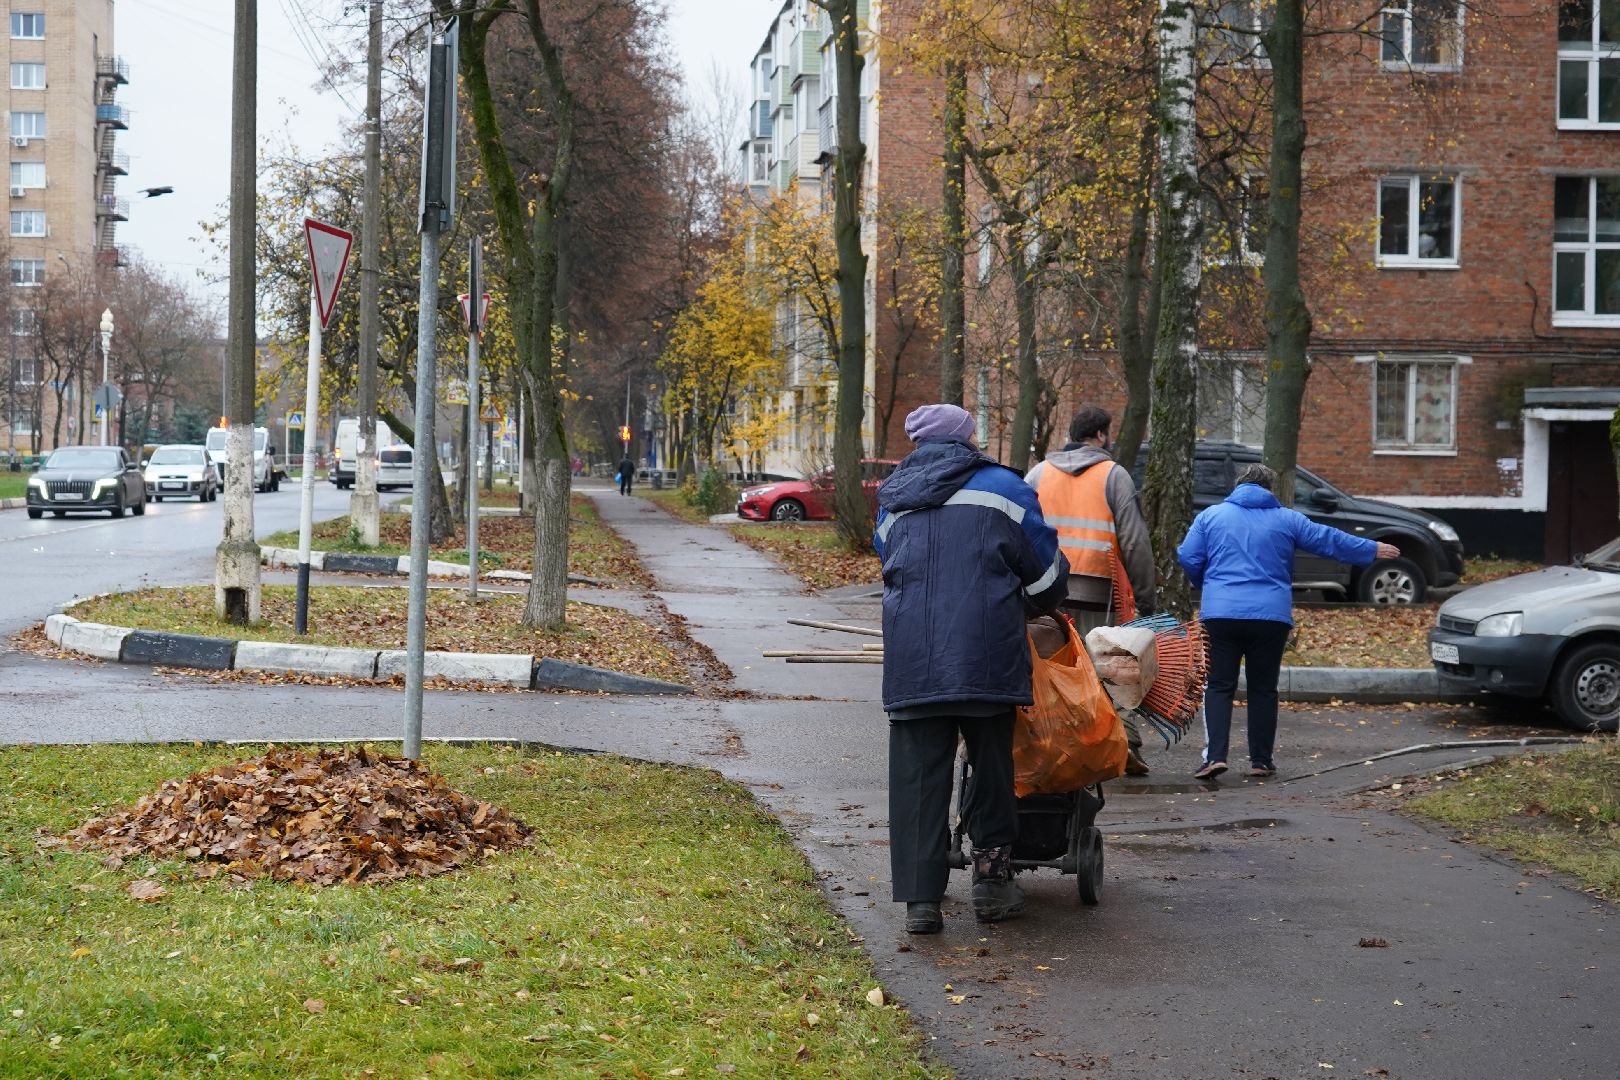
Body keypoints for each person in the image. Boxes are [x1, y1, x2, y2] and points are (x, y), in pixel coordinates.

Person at [874, 403, 1069, 934]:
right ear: (967, 439)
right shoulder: (1002, 489)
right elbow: (1047, 578)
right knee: (991, 770)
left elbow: (890, 562)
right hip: (986, 656)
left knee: (918, 778)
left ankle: (921, 902)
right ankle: (992, 885)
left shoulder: (892, 497)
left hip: (913, 660)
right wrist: (1023, 605)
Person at [1177, 463, 1399, 780]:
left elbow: (1188, 556)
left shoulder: (1211, 516)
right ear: (1270, 489)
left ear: (1238, 487)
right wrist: (1371, 548)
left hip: (1221, 615)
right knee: (1263, 688)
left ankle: (1214, 757)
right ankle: (1260, 761)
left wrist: (1205, 584)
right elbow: (1328, 539)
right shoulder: (1287, 518)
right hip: (1270, 617)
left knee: (1219, 686)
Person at [1025, 404, 1156, 775]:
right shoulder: (1114, 476)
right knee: (1110, 666)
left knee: (1054, 664)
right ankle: (1122, 742)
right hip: (1101, 589)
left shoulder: (1038, 475)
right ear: (1100, 435)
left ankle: (1055, 740)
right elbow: (1134, 542)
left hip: (1047, 588)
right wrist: (1146, 596)